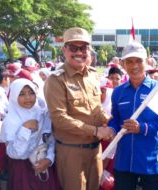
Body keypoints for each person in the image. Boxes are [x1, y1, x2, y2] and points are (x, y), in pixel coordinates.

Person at [44, 27, 113, 190]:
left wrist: (108, 120)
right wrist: (96, 131)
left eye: (83, 48)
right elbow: (59, 119)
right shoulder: (56, 80)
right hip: (71, 152)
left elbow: (96, 109)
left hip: (95, 151)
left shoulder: (93, 75)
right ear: (64, 50)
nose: (79, 52)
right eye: (73, 48)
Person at [107, 41, 158, 190]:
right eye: (129, 62)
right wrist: (111, 129)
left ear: (147, 62)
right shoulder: (118, 92)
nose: (134, 66)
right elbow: (115, 119)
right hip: (123, 160)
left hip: (150, 160)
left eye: (139, 61)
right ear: (123, 64)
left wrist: (142, 128)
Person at [0, 78, 61, 190]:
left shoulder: (41, 112)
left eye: (31, 93)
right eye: (22, 94)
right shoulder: (10, 121)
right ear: (14, 96)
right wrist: (25, 129)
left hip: (44, 166)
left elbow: (50, 139)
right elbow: (16, 153)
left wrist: (49, 159)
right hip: (22, 171)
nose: (28, 97)